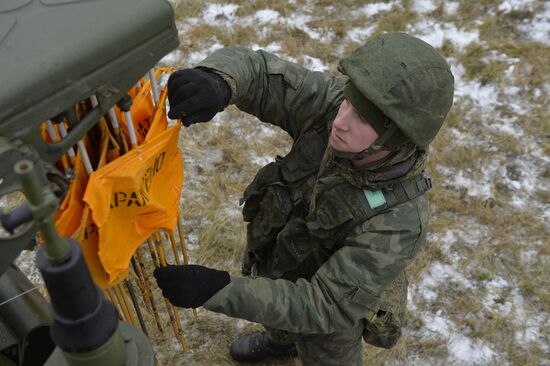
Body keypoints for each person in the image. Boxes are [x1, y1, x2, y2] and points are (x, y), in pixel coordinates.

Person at [154, 32, 454, 365]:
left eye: (362, 119)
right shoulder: (332, 109)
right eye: (348, 103)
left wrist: (218, 290)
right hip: (282, 261)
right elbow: (259, 72)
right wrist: (219, 81)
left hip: (331, 315)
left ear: (395, 139)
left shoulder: (399, 220)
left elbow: (324, 305)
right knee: (275, 305)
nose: (340, 122)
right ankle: (281, 343)